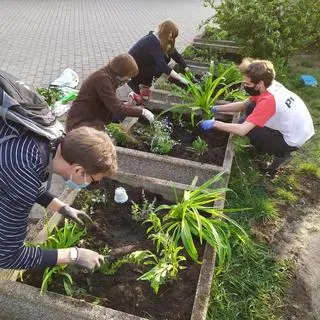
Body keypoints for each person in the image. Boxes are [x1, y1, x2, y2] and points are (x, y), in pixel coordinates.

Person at [0, 121, 118, 271]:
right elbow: (7, 256)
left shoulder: (45, 140)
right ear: (79, 171)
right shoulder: (22, 178)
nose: (90, 186)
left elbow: (19, 181)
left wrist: (61, 207)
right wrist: (74, 255)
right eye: (93, 182)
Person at [200, 58, 315, 173]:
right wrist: (215, 108)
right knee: (250, 106)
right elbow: (242, 106)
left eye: (248, 83)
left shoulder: (268, 101)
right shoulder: (269, 84)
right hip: (299, 126)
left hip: (293, 139)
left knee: (246, 127)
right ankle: (265, 145)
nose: (245, 86)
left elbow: (242, 130)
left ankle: (281, 156)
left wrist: (215, 123)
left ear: (259, 84)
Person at [66, 53, 155, 132]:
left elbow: (111, 101)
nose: (129, 79)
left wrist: (124, 103)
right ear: (121, 72)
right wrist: (142, 112)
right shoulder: (102, 79)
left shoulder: (108, 75)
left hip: (93, 117)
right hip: (81, 123)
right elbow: (117, 108)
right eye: (128, 76)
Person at [127, 20, 193, 105]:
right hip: (133, 71)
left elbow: (175, 54)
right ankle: (138, 88)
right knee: (158, 67)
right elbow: (162, 66)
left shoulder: (161, 39)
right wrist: (180, 78)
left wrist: (186, 69)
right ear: (165, 32)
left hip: (143, 65)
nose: (172, 39)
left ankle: (144, 87)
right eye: (171, 36)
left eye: (173, 37)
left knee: (164, 59)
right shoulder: (152, 41)